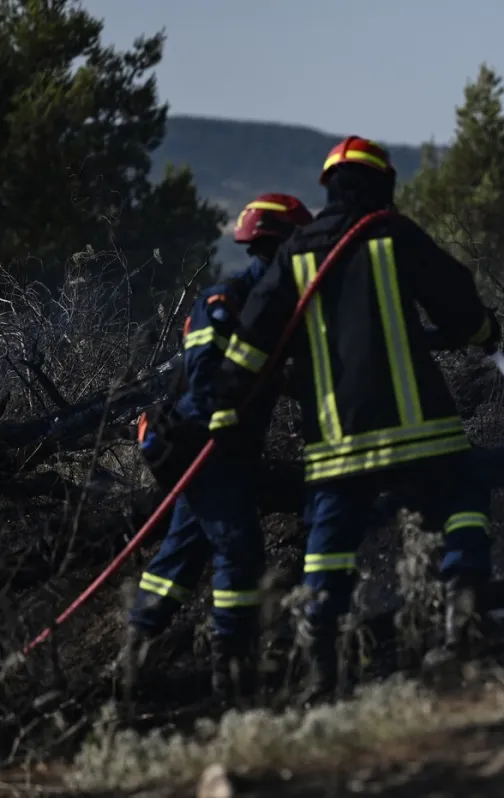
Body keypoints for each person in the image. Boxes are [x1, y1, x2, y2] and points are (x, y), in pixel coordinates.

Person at [207, 136, 501, 704]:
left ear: (330, 188)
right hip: (421, 429)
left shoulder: (297, 252)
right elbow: (456, 300)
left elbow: (253, 339)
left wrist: (224, 408)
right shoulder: (395, 234)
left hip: (338, 440)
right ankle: (462, 622)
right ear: (383, 185)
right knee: (463, 503)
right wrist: (485, 333)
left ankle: (322, 666)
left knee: (329, 543)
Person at [125, 193, 314, 705]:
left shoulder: (277, 305)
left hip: (228, 447)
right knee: (238, 547)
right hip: (201, 444)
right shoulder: (224, 300)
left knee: (184, 550)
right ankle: (230, 671)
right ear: (277, 246)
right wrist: (222, 417)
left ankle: (132, 657)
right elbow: (205, 369)